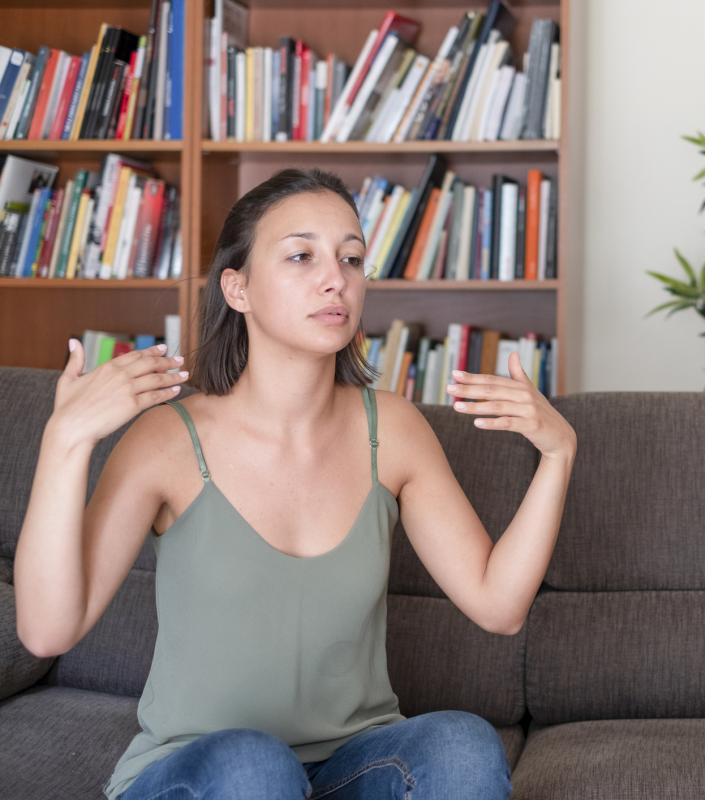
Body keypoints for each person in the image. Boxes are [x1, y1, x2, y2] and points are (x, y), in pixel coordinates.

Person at [12, 167, 577, 799]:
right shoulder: (166, 441)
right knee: (256, 767)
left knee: (461, 743)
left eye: (352, 258)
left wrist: (558, 453)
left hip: (350, 769)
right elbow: (46, 630)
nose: (336, 278)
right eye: (301, 255)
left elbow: (498, 606)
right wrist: (64, 443)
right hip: (204, 776)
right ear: (238, 288)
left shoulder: (390, 429)